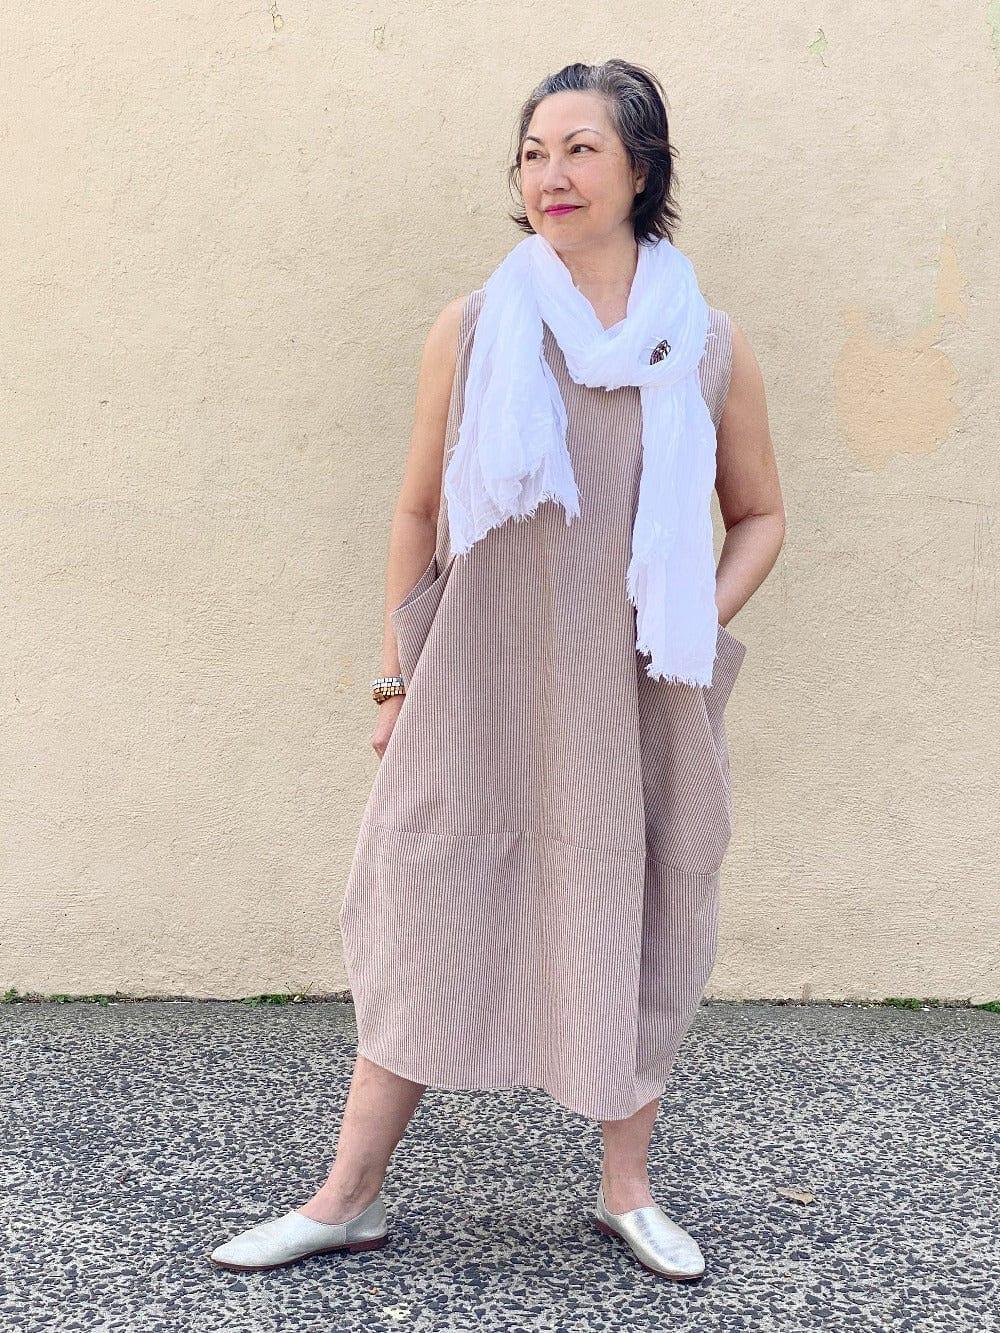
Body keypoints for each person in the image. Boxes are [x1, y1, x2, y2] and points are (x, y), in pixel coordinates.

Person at [210, 58, 785, 1282]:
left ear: (641, 167)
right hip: (475, 681)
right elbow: (417, 510)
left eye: (580, 148)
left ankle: (624, 1191)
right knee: (426, 906)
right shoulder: (476, 328)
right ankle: (346, 1196)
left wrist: (683, 615)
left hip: (638, 692)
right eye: (532, 151)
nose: (551, 174)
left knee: (641, 918)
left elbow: (763, 516)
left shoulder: (708, 345)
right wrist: (394, 679)